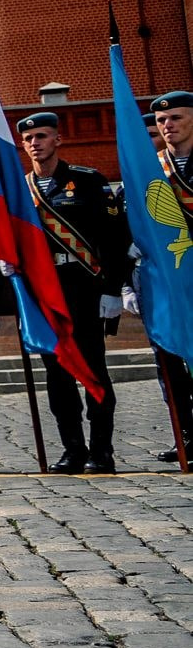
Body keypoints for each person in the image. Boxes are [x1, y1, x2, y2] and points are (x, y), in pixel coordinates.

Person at [15, 111, 129, 473]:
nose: (36, 143)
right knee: (57, 373)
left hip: (84, 287)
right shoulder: (18, 189)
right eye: (30, 138)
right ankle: (72, 449)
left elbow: (113, 240)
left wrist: (112, 289)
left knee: (93, 368)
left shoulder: (88, 181)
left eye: (43, 136)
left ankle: (101, 450)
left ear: (57, 140)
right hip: (43, 292)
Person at [142, 91, 193, 466]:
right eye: (162, 121)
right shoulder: (150, 168)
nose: (167, 125)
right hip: (170, 280)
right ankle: (186, 434)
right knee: (170, 359)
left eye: (175, 117)